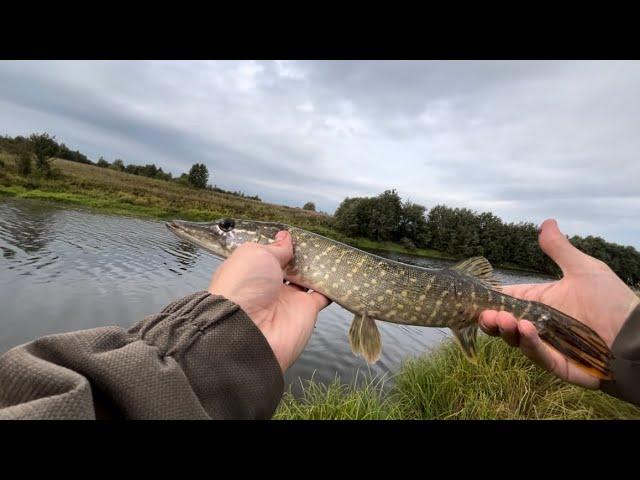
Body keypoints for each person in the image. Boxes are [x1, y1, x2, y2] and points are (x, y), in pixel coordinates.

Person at [0, 220, 638, 419]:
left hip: (477, 303)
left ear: (273, 243)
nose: (217, 237)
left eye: (228, 233)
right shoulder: (298, 268)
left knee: (528, 323)